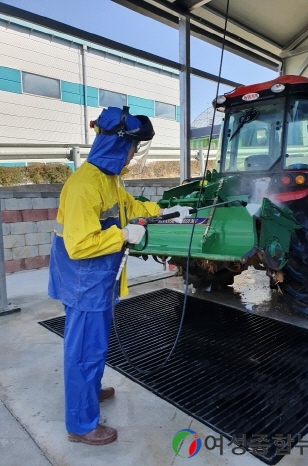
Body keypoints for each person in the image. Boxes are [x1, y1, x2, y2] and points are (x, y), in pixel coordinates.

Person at [48, 106, 189, 445]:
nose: (133, 155)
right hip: (84, 281)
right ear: (116, 144)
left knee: (94, 346)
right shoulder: (85, 185)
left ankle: (90, 391)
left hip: (98, 279)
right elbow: (80, 244)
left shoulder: (108, 180)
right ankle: (81, 426)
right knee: (83, 351)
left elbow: (131, 207)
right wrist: (123, 236)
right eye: (132, 147)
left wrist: (167, 213)